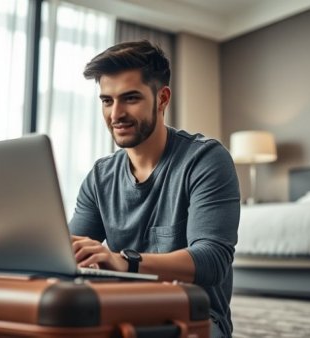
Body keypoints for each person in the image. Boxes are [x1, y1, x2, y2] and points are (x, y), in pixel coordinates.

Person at [69, 40, 240, 338]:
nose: (115, 114)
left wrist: (124, 261)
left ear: (162, 98)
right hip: (122, 310)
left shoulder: (206, 159)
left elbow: (212, 260)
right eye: (107, 101)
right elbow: (71, 254)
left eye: (130, 98)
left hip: (194, 318)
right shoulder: (99, 176)